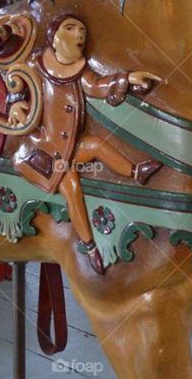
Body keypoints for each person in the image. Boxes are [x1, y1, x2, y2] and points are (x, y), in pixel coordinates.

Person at [14, 14, 161, 273]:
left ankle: (135, 172)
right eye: (70, 29)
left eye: (82, 30)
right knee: (71, 188)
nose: (80, 34)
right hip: (42, 151)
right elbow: (17, 82)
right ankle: (90, 246)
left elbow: (96, 86)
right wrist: (15, 101)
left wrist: (126, 79)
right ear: (54, 37)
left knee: (94, 145)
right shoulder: (37, 64)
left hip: (68, 147)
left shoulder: (79, 71)